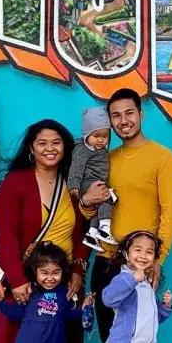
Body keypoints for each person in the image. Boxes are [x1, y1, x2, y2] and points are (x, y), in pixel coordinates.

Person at [0, 119, 104, 343]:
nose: (50, 149)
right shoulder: (15, 183)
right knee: (11, 334)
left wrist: (79, 269)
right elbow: (7, 236)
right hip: (23, 275)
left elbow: (83, 234)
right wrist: (17, 279)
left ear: (66, 148)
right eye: (42, 143)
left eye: (57, 142)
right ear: (31, 149)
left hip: (63, 276)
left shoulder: (74, 184)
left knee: (71, 336)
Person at [80, 88, 172, 343]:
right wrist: (85, 203)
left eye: (129, 113)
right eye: (115, 116)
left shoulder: (163, 158)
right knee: (113, 340)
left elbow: (170, 214)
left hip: (141, 265)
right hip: (106, 261)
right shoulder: (106, 159)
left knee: (138, 340)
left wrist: (157, 261)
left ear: (141, 114)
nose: (123, 121)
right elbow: (91, 207)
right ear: (109, 121)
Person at [68, 107, 117, 251]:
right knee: (107, 199)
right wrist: (74, 184)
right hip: (87, 183)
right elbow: (76, 167)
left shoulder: (100, 150)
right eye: (96, 136)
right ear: (87, 134)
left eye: (105, 136)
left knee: (101, 205)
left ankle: (92, 234)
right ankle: (104, 229)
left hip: (96, 182)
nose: (101, 140)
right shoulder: (83, 149)